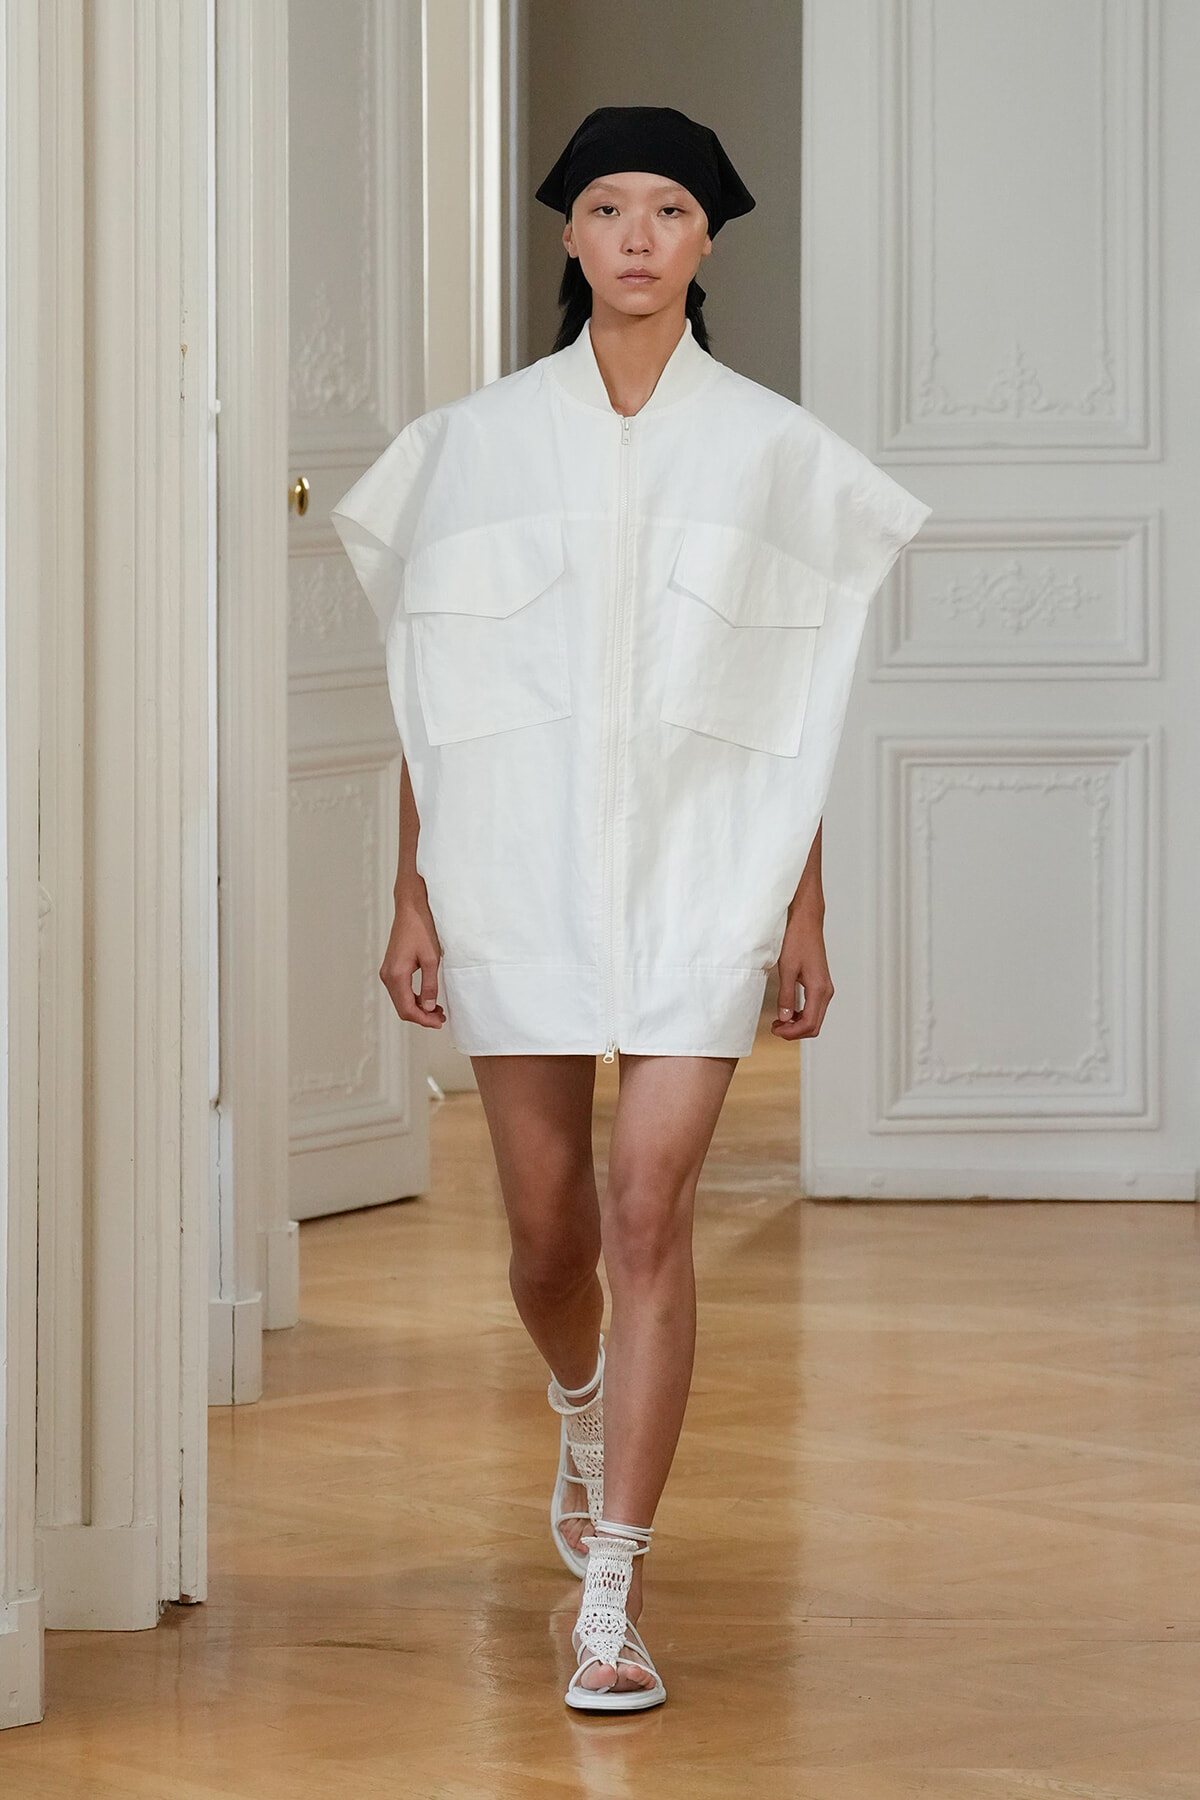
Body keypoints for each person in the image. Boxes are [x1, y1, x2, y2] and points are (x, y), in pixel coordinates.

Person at [331, 104, 932, 1713]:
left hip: (702, 883)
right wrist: (412, 891)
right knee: (548, 1241)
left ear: (710, 241)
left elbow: (789, 698)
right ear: (570, 238)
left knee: (651, 1208)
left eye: (672, 209)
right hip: (513, 870)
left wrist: (805, 912)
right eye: (610, 207)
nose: (642, 237)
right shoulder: (475, 447)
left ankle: (617, 1588)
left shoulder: (769, 455)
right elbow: (440, 690)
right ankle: (581, 1408)